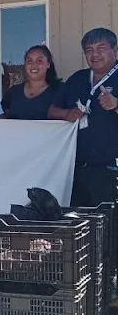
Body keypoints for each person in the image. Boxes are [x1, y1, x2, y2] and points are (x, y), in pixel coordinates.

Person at [48, 28, 118, 207]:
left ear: (115, 50)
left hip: (111, 170)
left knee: (111, 228)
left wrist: (115, 104)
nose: (95, 54)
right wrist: (67, 114)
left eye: (101, 48)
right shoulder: (78, 78)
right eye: (89, 50)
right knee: (81, 227)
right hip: (77, 169)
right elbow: (52, 111)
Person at [2, 45, 61, 120]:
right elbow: (2, 120)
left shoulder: (60, 90)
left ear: (48, 64)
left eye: (39, 61)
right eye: (29, 61)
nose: (33, 65)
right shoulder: (13, 92)